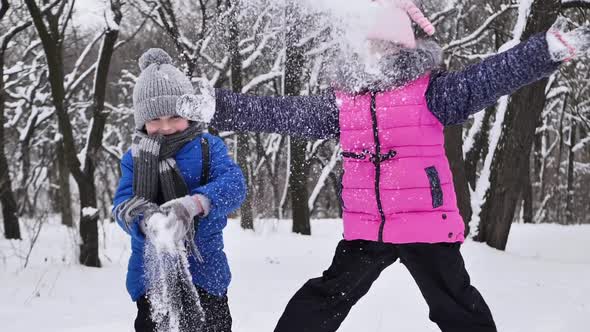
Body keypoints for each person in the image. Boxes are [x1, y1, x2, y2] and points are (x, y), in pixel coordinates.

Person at [188, 1, 590, 331]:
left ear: (404, 48)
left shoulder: (435, 93)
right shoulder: (344, 103)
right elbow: (282, 113)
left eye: (388, 46)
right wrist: (220, 106)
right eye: (373, 46)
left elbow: (490, 77)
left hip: (424, 224)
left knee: (454, 304)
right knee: (326, 297)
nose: (378, 54)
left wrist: (546, 50)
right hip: (370, 226)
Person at [112, 48, 246, 332]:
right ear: (142, 122)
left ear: (189, 112)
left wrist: (195, 204)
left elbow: (235, 185)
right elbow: (122, 205)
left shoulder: (208, 147)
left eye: (174, 116)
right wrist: (148, 220)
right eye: (154, 120)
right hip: (152, 280)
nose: (166, 127)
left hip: (205, 275)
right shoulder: (133, 158)